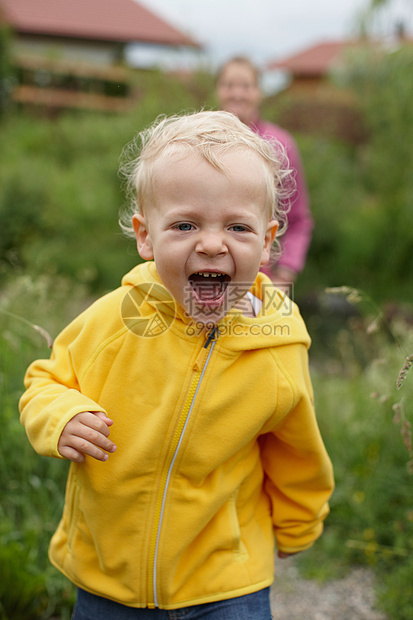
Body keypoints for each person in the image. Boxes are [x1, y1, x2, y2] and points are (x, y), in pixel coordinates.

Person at [19, 110, 334, 619]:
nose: (211, 243)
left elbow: (297, 449)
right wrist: (61, 416)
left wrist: (301, 522)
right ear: (146, 236)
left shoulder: (277, 344)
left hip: (226, 585)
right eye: (185, 225)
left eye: (237, 226)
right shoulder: (115, 320)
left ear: (268, 239)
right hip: (108, 579)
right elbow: (45, 380)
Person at [216, 56, 313, 289]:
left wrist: (286, 274)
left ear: (259, 92)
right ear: (218, 90)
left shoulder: (280, 145)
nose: (237, 93)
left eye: (246, 86)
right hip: (206, 274)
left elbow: (298, 219)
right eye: (229, 85)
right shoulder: (199, 140)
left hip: (261, 281)